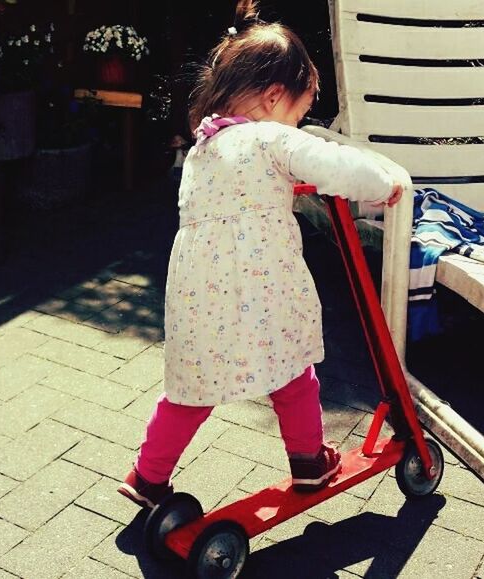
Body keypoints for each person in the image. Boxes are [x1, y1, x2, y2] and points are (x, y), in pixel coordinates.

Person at [118, 0, 406, 509]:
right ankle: (309, 463)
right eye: (299, 113)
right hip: (265, 293)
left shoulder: (202, 151)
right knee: (294, 376)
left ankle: (147, 476)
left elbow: (238, 197)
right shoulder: (272, 138)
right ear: (275, 97)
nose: (297, 125)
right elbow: (332, 164)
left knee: (189, 391)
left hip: (199, 300)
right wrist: (382, 182)